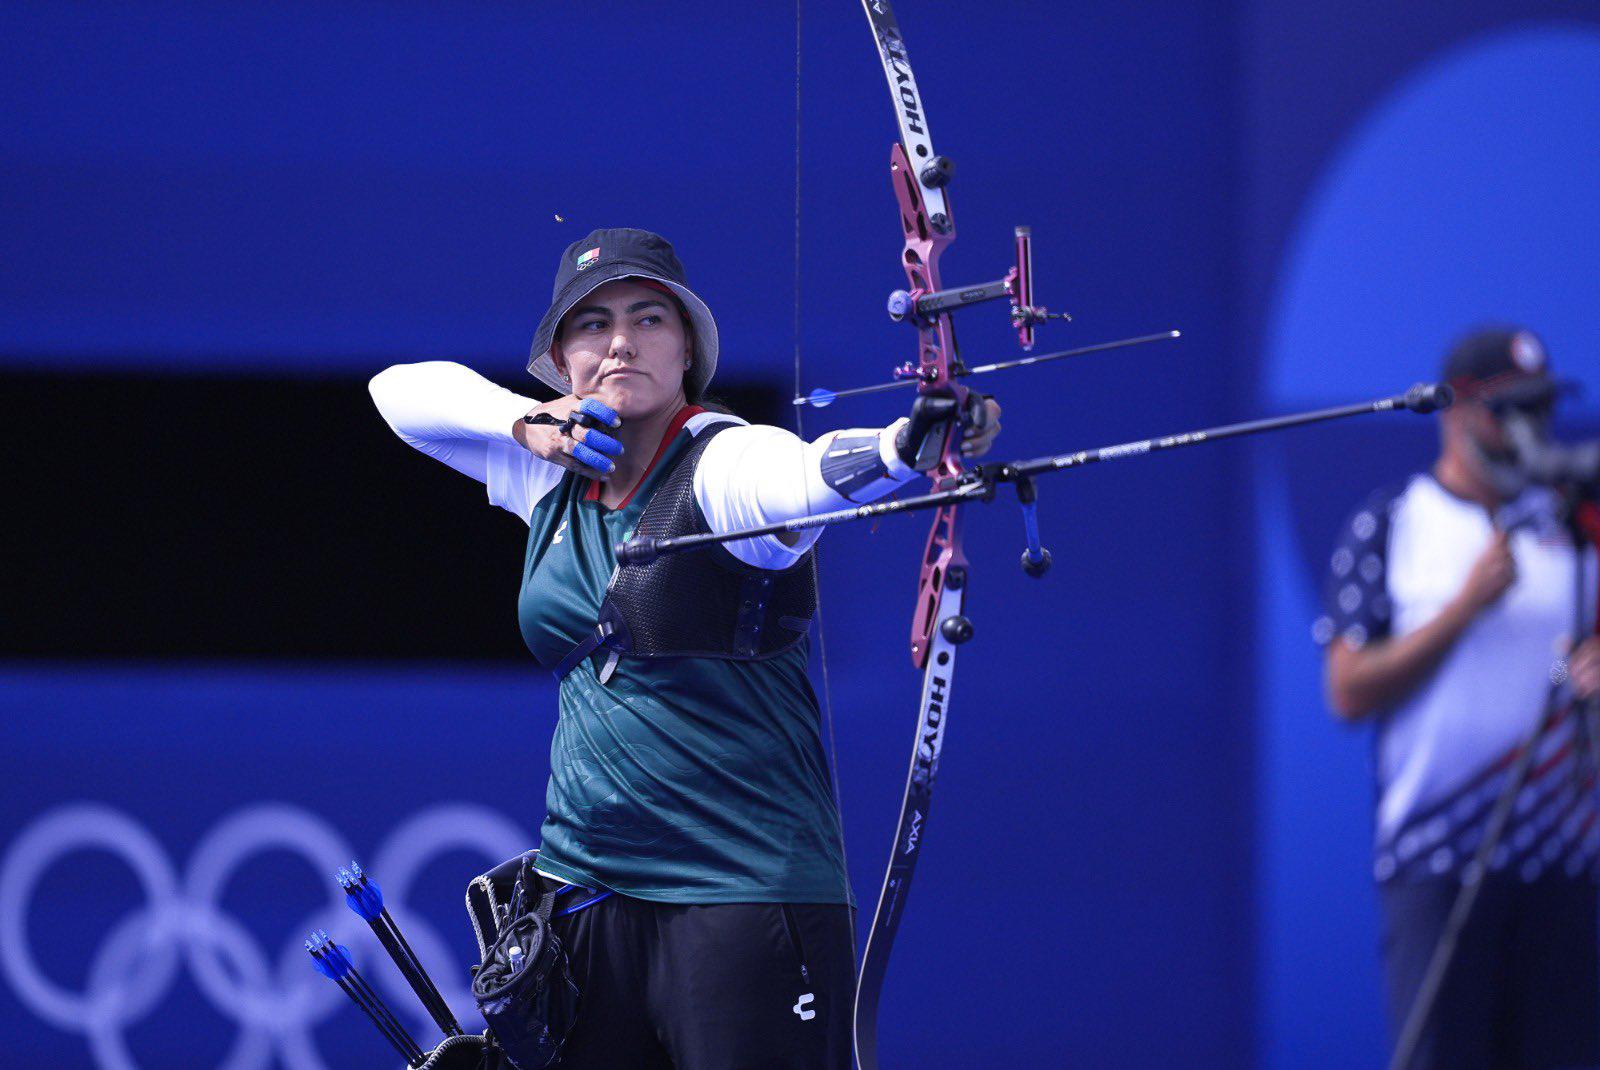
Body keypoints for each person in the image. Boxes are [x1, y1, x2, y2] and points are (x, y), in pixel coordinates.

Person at [369, 227, 999, 1069]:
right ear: (560, 357)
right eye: (591, 324)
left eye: (648, 318)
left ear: (688, 347)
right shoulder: (545, 475)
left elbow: (807, 474)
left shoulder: (725, 462)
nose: (620, 341)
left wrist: (902, 447)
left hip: (743, 904)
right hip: (584, 903)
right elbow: (398, 393)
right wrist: (524, 422)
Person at [1315, 326, 1600, 1068]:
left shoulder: (1580, 526)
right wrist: (1464, 607)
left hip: (1568, 864)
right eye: (1508, 411)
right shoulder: (1393, 522)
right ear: (1458, 412)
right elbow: (1347, 691)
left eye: (1538, 411)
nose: (1526, 432)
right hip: (1438, 863)